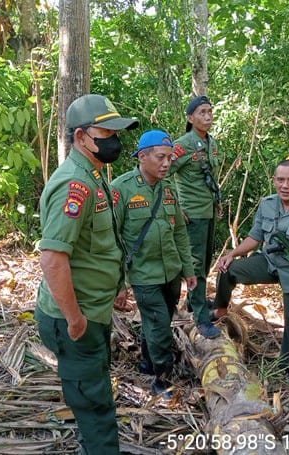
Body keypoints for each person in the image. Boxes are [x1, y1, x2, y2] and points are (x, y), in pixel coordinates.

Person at [34, 94, 138, 455]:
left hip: (94, 310)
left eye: (116, 133)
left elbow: (101, 246)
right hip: (76, 319)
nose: (114, 141)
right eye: (106, 134)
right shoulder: (74, 185)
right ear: (81, 137)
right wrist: (75, 318)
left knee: (94, 392)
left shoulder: (94, 176)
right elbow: (53, 259)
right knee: (95, 407)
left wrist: (117, 289)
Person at [211, 159, 289, 385]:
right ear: (274, 181)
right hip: (270, 262)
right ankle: (220, 310)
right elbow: (255, 238)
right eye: (280, 180)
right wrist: (232, 254)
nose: (285, 185)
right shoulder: (267, 204)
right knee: (229, 270)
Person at [112, 130, 197, 397]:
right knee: (160, 326)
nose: (167, 163)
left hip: (170, 272)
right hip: (143, 274)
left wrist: (189, 270)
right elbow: (112, 239)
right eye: (160, 157)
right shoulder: (121, 189)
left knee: (158, 321)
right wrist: (120, 283)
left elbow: (180, 234)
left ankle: (148, 363)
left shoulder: (168, 189)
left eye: (170, 158)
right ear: (142, 156)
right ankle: (162, 380)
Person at [169, 95, 223, 339]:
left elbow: (210, 178)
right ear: (190, 118)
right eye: (202, 112)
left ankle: (194, 300)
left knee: (206, 260)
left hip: (208, 211)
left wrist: (217, 203)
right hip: (192, 214)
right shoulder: (183, 144)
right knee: (196, 266)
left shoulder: (210, 143)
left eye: (210, 111)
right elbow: (162, 173)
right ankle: (201, 318)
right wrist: (175, 207)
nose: (208, 116)